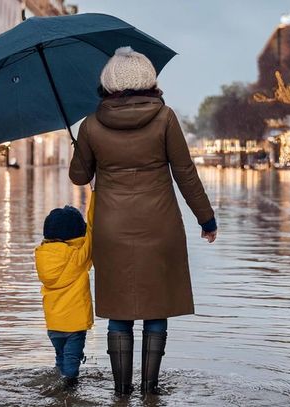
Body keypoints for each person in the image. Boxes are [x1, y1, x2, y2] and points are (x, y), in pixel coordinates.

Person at [69, 46, 217, 396]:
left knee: (120, 311)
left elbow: (79, 176)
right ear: (149, 79)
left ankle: (121, 394)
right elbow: (186, 173)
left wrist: (82, 146)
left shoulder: (90, 125)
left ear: (109, 82)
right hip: (160, 225)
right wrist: (206, 218)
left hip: (112, 230)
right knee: (156, 308)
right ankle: (150, 392)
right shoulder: (165, 118)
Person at [34, 192, 95, 387]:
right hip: (75, 326)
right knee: (70, 369)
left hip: (53, 326)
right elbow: (93, 230)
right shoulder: (77, 259)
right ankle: (67, 389)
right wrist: (95, 193)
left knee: (61, 359)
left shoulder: (41, 256)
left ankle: (59, 384)